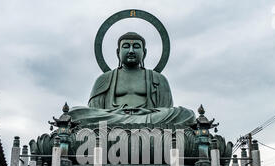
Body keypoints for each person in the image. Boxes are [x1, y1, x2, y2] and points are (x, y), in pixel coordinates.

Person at [67, 32, 195, 126]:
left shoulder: (158, 79)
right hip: (113, 118)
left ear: (144, 52)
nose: (131, 50)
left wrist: (143, 114)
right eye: (126, 46)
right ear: (118, 52)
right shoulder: (104, 79)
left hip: (148, 118)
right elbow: (94, 111)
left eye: (137, 47)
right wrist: (120, 114)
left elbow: (166, 109)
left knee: (186, 114)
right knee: (74, 113)